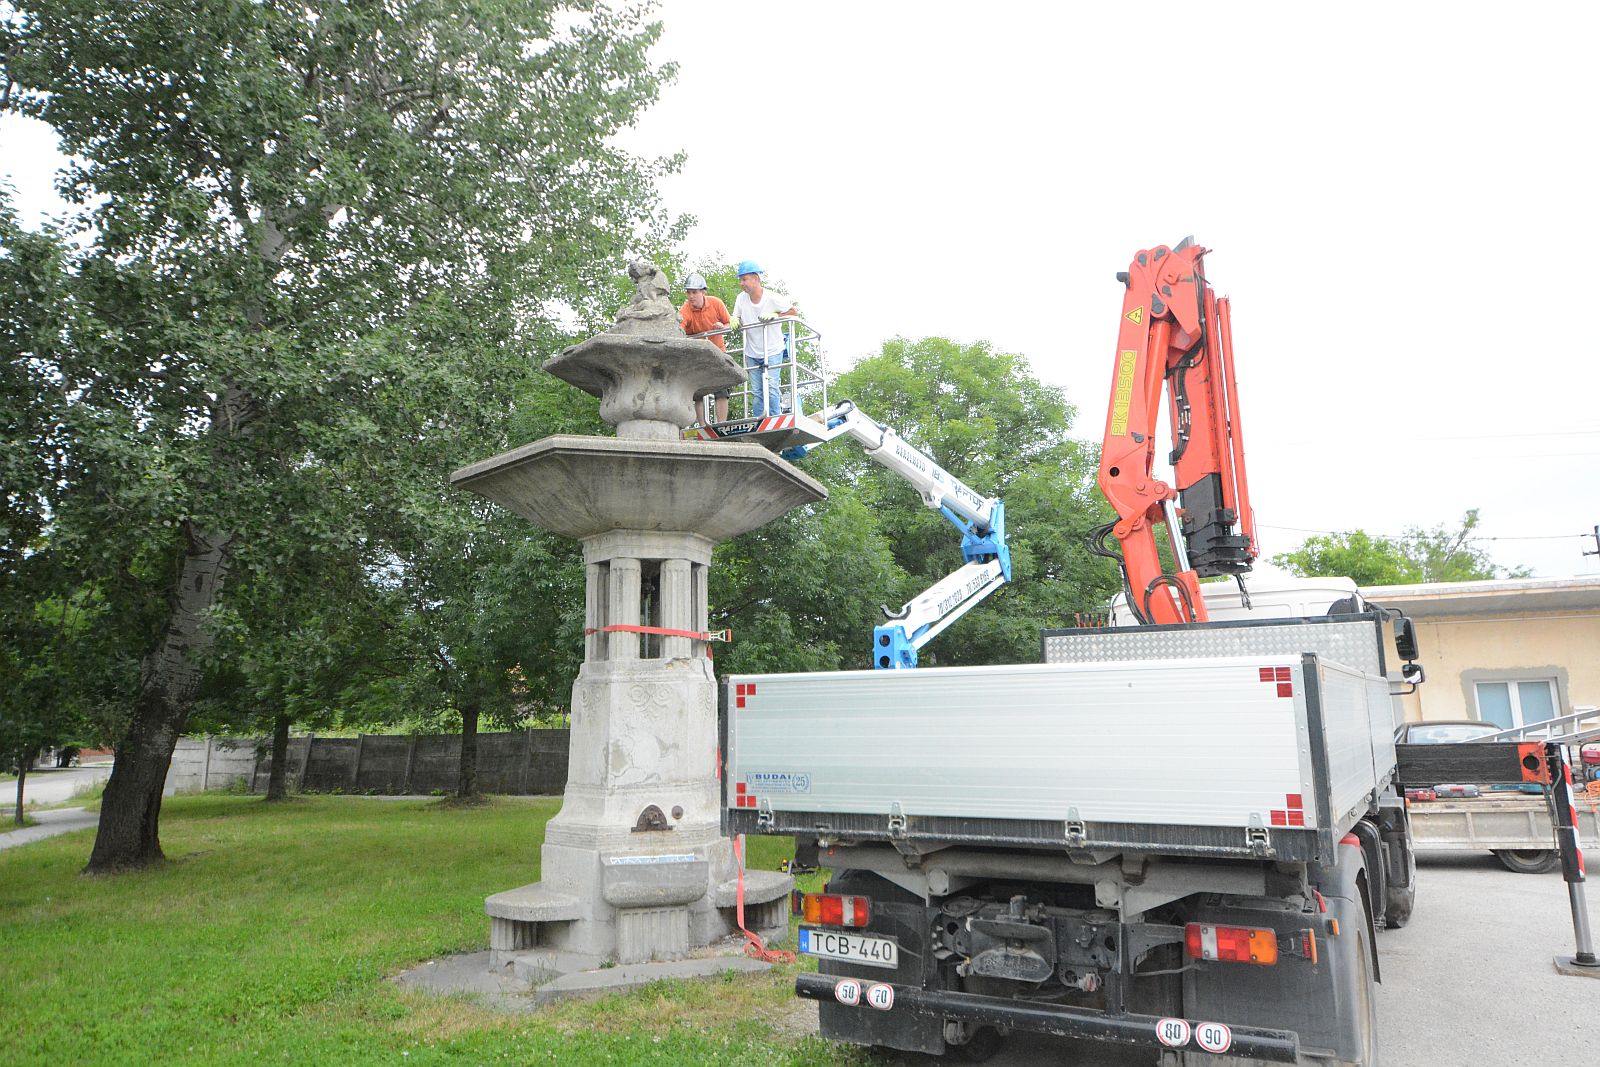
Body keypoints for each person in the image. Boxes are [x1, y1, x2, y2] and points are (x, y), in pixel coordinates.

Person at [731, 259, 798, 419]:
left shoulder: (771, 297)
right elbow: (736, 316)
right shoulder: (741, 299)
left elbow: (793, 312)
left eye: (744, 279)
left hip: (773, 350)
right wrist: (733, 319)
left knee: (771, 386)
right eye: (740, 279)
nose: (741, 283)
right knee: (757, 391)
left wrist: (776, 316)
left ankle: (775, 419)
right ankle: (760, 420)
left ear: (755, 278)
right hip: (752, 352)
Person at [678, 272, 733, 422]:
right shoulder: (685, 310)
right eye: (688, 292)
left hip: (718, 353)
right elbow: (678, 329)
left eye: (694, 292)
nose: (691, 296)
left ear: (703, 292)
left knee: (722, 388)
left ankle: (721, 424)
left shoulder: (716, 303)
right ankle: (702, 425)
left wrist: (722, 326)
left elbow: (730, 323)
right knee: (698, 391)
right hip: (698, 357)